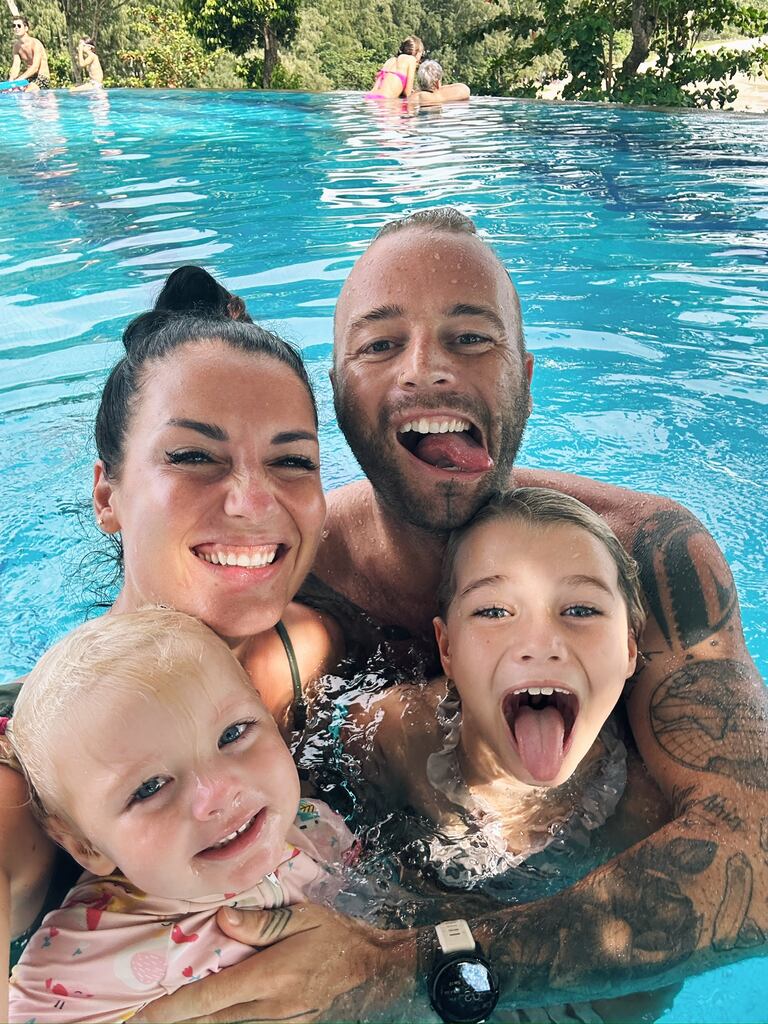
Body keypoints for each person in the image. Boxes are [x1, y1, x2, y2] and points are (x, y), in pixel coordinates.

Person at [139, 208, 767, 1023]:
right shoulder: (278, 574)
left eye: (471, 339)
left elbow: (757, 844)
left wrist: (419, 966)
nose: (427, 371)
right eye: (379, 344)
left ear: (527, 378)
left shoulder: (649, 555)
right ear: (335, 393)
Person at [0, 266, 342, 982]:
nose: (252, 501)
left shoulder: (306, 646)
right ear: (107, 494)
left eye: (292, 460)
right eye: (192, 457)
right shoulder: (27, 787)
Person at [5, 608, 355, 1024]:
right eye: (150, 787)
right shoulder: (76, 968)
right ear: (86, 846)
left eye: (233, 733)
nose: (218, 793)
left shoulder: (316, 825)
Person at [366, 35, 424, 99]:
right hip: (384, 100)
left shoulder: (390, 60)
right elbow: (407, 94)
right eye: (421, 53)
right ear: (417, 52)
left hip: (369, 97)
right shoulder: (411, 60)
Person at [8, 15, 50, 90]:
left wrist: (18, 80)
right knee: (11, 91)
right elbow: (16, 66)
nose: (16, 28)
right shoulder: (16, 46)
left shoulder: (35, 43)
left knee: (29, 90)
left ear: (26, 28)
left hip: (42, 77)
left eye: (19, 25)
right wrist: (11, 80)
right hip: (29, 78)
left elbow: (35, 67)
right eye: (14, 26)